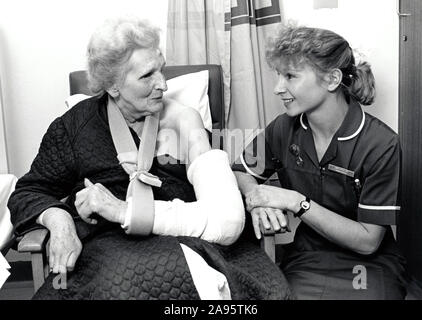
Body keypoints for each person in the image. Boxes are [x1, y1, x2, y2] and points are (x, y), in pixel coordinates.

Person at [8, 17, 291, 300]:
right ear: (113, 86)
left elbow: (225, 220)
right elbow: (30, 191)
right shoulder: (73, 128)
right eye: (147, 76)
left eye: (162, 70)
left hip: (194, 243)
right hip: (109, 250)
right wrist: (59, 220)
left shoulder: (184, 121)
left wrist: (189, 122)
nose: (164, 85)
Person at [232, 25, 407, 299]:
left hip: (369, 264)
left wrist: (296, 202)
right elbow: (240, 170)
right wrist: (255, 196)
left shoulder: (381, 144)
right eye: (278, 75)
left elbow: (368, 241)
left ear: (332, 79)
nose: (278, 88)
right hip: (308, 256)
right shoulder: (283, 129)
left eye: (290, 76)